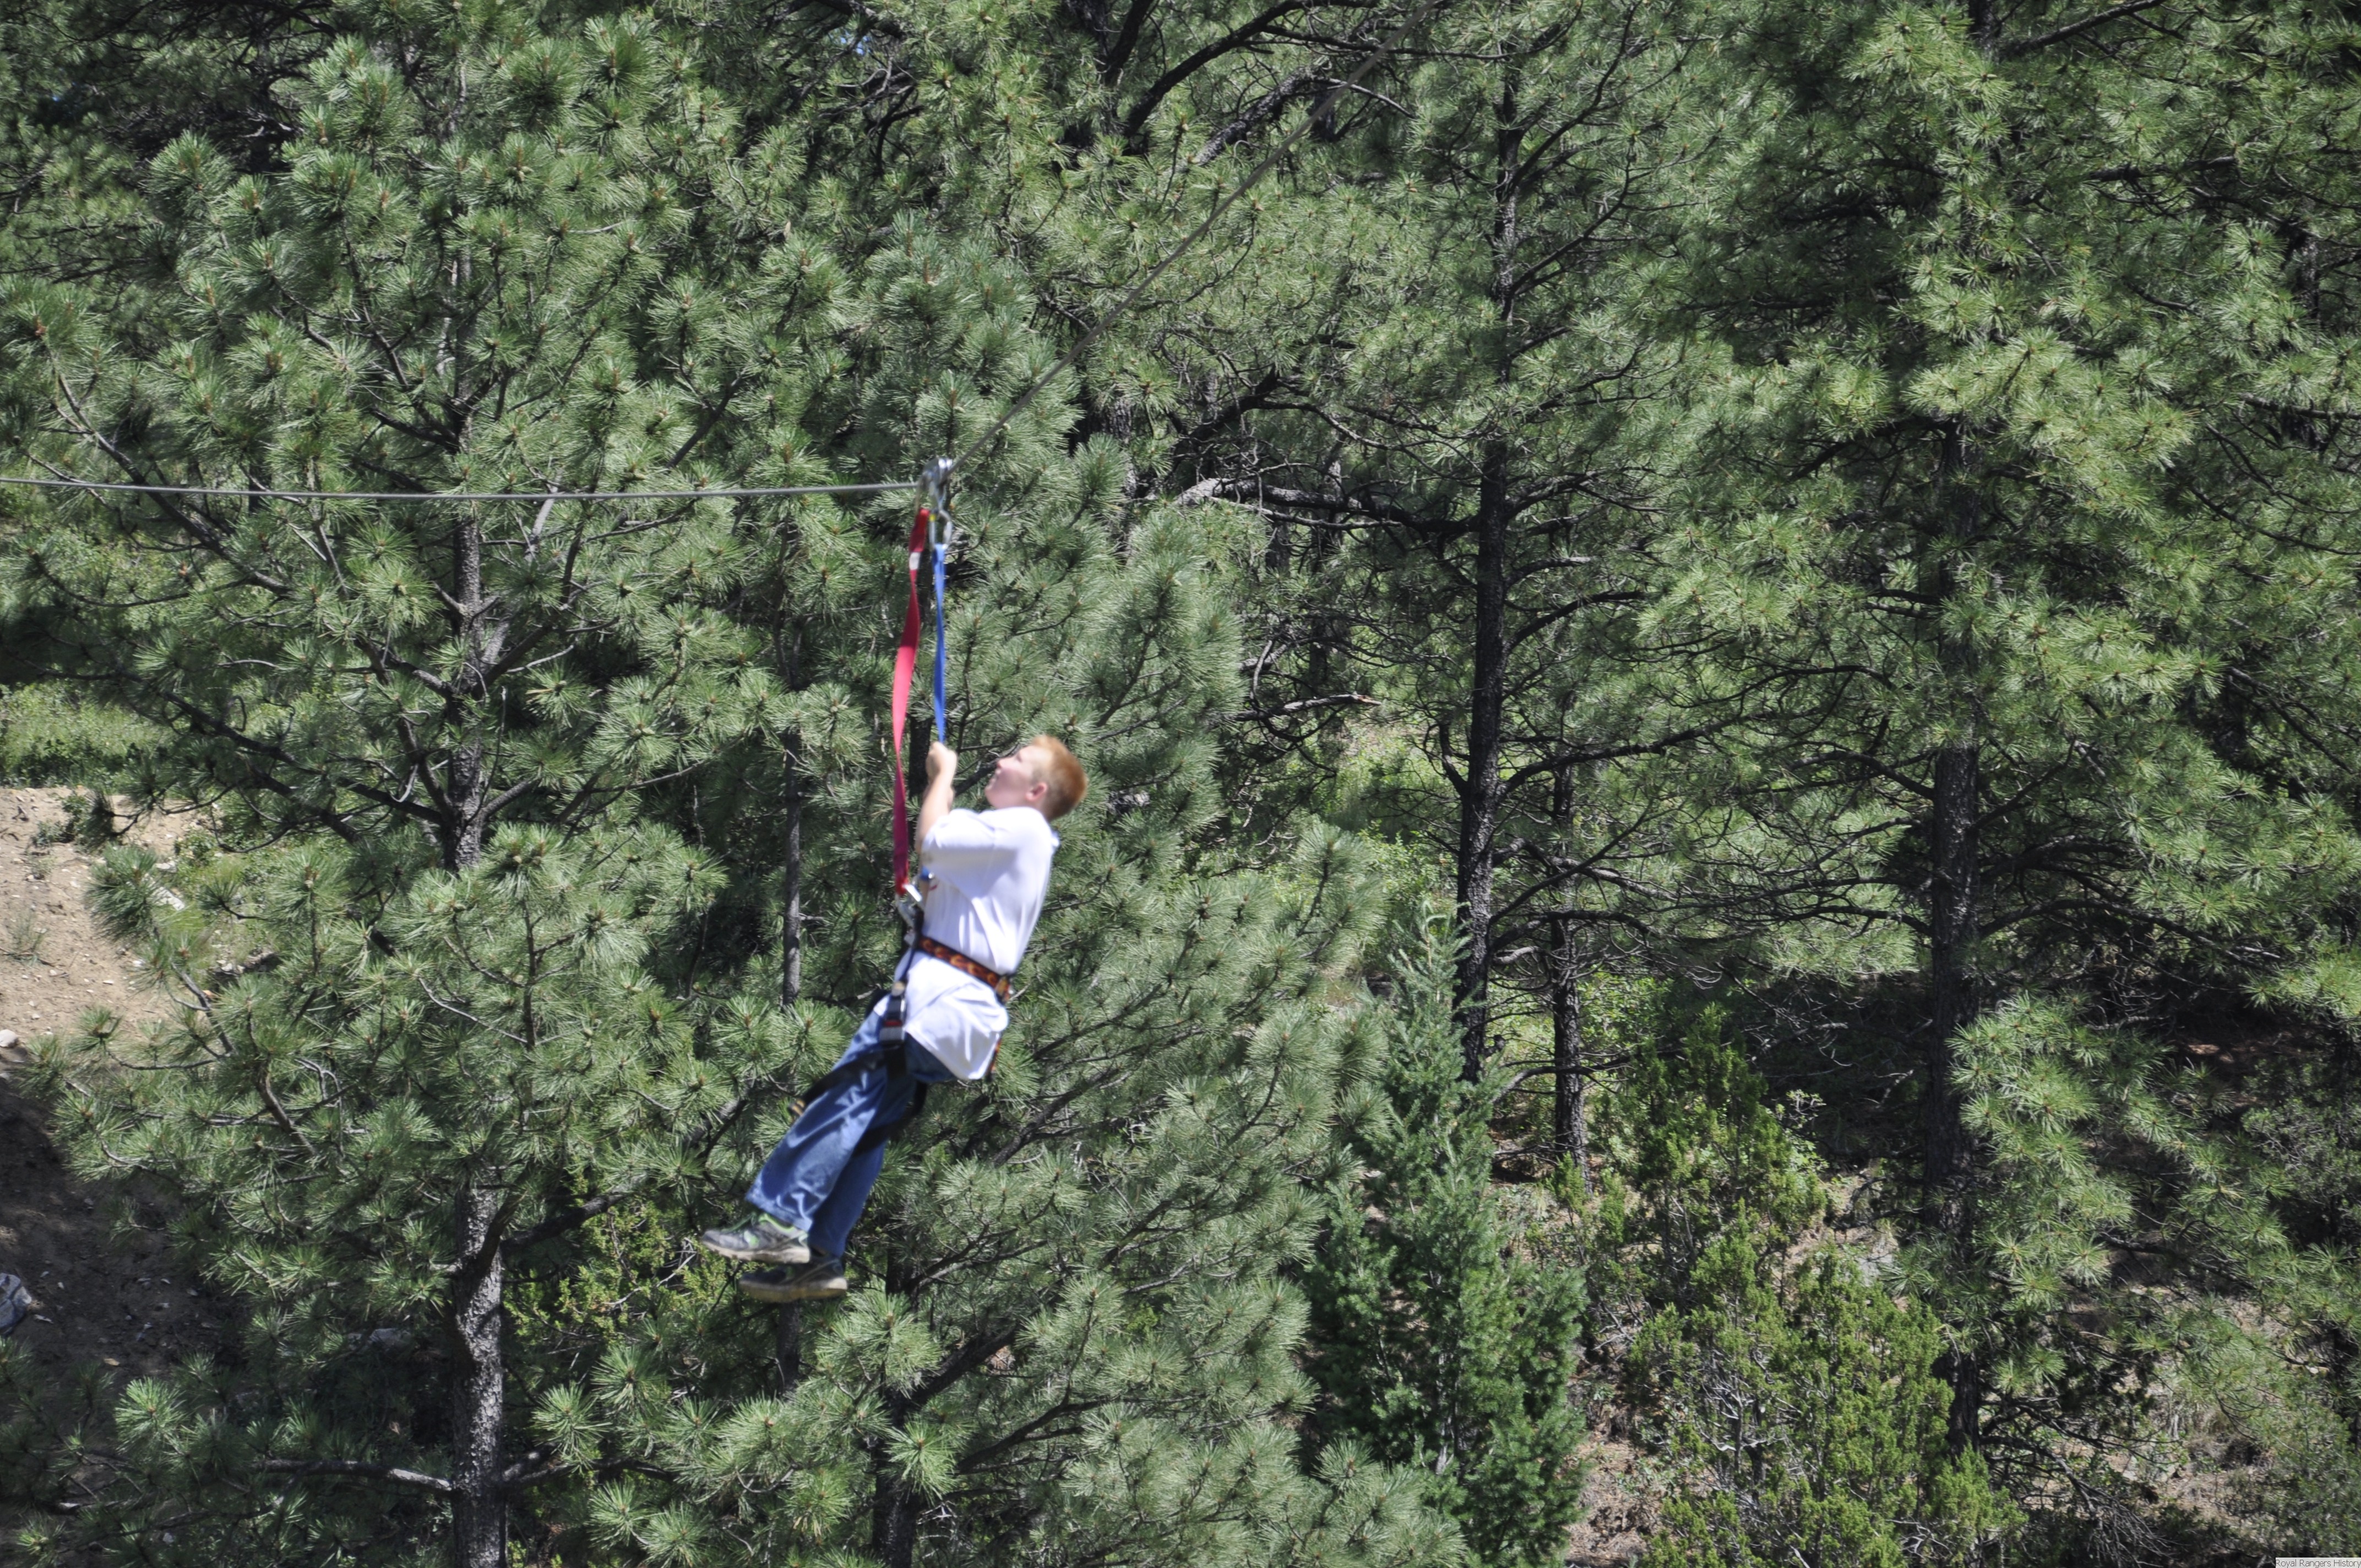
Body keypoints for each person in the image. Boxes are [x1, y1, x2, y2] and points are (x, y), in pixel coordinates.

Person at [698, 734, 1086, 1301]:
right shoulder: (1014, 845)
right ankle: (822, 1257)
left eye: (1017, 759)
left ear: (1036, 790)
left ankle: (779, 1220)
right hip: (956, 1013)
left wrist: (941, 775)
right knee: (868, 1126)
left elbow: (931, 839)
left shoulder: (1021, 827)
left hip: (934, 1003)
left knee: (842, 1102)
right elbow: (945, 878)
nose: (1001, 761)